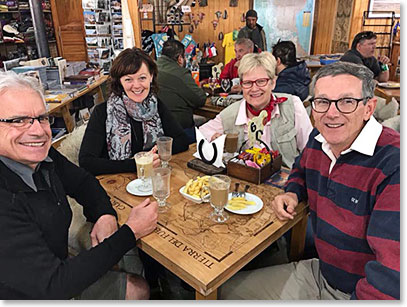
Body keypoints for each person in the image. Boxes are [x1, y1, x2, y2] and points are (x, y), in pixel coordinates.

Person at [219, 61, 400, 300]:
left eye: (347, 101)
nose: (332, 113)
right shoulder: (319, 138)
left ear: (369, 107)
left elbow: (392, 281)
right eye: (322, 102)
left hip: (357, 293)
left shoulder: (394, 164)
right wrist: (293, 192)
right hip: (320, 275)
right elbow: (301, 169)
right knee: (223, 292)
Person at [0, 71, 158, 299]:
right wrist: (130, 232)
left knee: (139, 285)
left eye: (42, 118)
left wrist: (104, 213)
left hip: (53, 267)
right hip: (33, 294)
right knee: (138, 289)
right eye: (18, 120)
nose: (37, 131)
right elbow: (55, 285)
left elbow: (83, 182)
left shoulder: (42, 158)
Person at [79, 47, 189, 176]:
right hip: (116, 184)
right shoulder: (102, 112)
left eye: (142, 78)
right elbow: (87, 162)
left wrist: (159, 151)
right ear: (119, 81)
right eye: (128, 79)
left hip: (153, 179)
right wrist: (138, 164)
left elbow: (182, 140)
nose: (136, 85)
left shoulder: (156, 105)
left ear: (151, 77)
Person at [199, 52, 313, 169]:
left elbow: (311, 151)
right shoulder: (230, 113)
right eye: (248, 83)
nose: (254, 89)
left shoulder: (292, 105)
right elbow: (202, 133)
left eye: (261, 81)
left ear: (272, 83)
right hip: (243, 181)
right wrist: (215, 139)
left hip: (286, 182)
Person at [156, 39, 207, 144]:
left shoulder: (151, 68)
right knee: (208, 130)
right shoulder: (179, 73)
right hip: (178, 131)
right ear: (180, 58)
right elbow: (200, 99)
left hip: (156, 130)